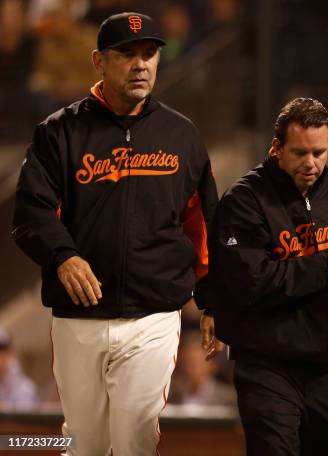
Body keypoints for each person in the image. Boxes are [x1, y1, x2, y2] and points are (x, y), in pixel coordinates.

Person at [12, 12, 218, 455]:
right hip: (79, 316)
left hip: (153, 315)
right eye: (127, 54)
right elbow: (31, 211)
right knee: (86, 444)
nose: (141, 64)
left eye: (149, 54)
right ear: (99, 61)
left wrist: (212, 296)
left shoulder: (181, 135)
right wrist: (62, 255)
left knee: (135, 436)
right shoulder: (59, 133)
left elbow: (203, 225)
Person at [203, 97, 328, 455]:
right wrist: (324, 266)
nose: (311, 163)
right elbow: (247, 282)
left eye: (319, 152)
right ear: (276, 148)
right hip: (269, 364)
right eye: (300, 153)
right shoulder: (244, 201)